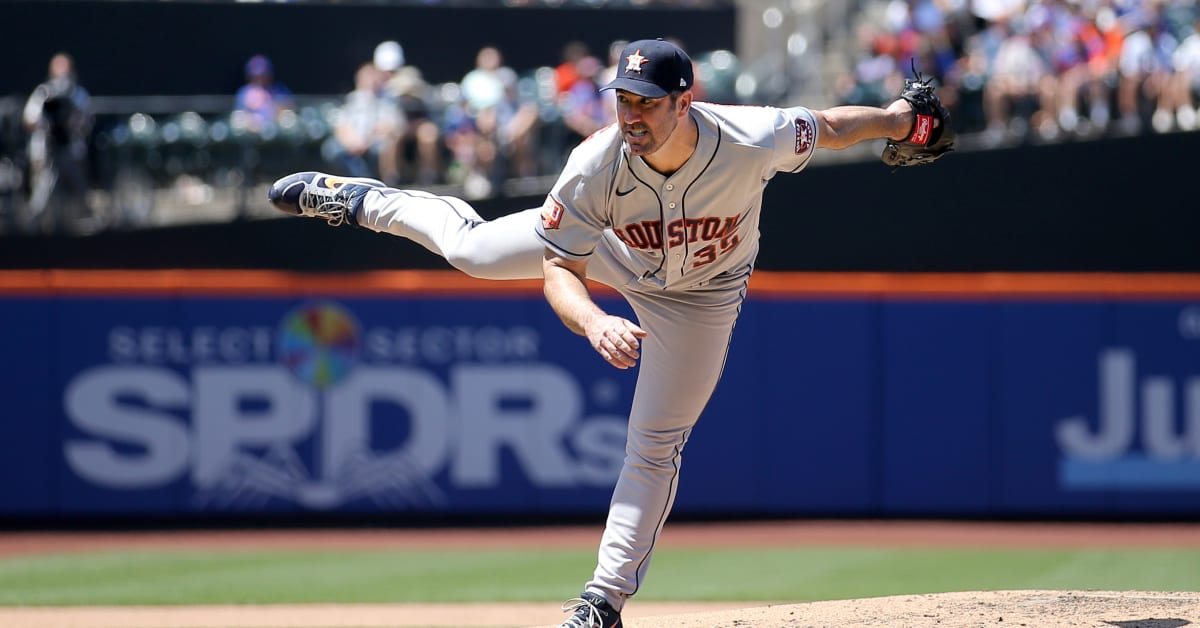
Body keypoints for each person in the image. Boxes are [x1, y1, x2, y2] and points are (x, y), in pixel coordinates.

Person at [268, 38, 941, 628]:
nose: (631, 113)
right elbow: (561, 266)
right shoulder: (595, 163)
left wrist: (900, 121)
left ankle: (603, 602)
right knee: (470, 253)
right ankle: (363, 200)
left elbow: (828, 126)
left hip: (702, 300)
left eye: (646, 101)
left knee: (655, 444)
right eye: (623, 97)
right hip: (611, 255)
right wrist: (592, 320)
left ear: (684, 101)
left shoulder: (752, 135)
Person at [22, 52, 94, 232]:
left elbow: (86, 121)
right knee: (44, 189)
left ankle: (85, 222)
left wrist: (72, 122)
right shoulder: (43, 92)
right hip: (47, 152)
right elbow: (28, 120)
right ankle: (34, 225)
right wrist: (46, 125)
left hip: (72, 152)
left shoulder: (78, 94)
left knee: (78, 188)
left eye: (66, 68)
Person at [327, 62, 403, 181]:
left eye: (373, 78)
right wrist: (352, 142)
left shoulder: (386, 100)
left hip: (374, 142)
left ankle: (374, 183)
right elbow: (341, 125)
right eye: (366, 77)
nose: (370, 81)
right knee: (331, 149)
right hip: (351, 142)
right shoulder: (350, 99)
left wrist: (366, 141)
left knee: (385, 145)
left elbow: (390, 125)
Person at [233, 54, 294, 134]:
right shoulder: (244, 92)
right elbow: (238, 119)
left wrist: (273, 106)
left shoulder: (279, 90)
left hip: (277, 134)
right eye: (256, 76)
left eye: (263, 75)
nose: (260, 79)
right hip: (251, 135)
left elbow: (289, 112)